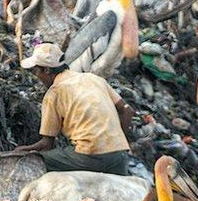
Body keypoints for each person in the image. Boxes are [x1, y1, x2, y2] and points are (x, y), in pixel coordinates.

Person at [15, 43, 134, 176]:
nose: (37, 77)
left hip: (88, 155)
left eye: (37, 71)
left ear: (47, 70)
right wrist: (116, 145)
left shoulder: (54, 93)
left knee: (36, 162)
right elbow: (127, 111)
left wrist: (25, 151)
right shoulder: (94, 79)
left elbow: (47, 144)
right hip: (119, 156)